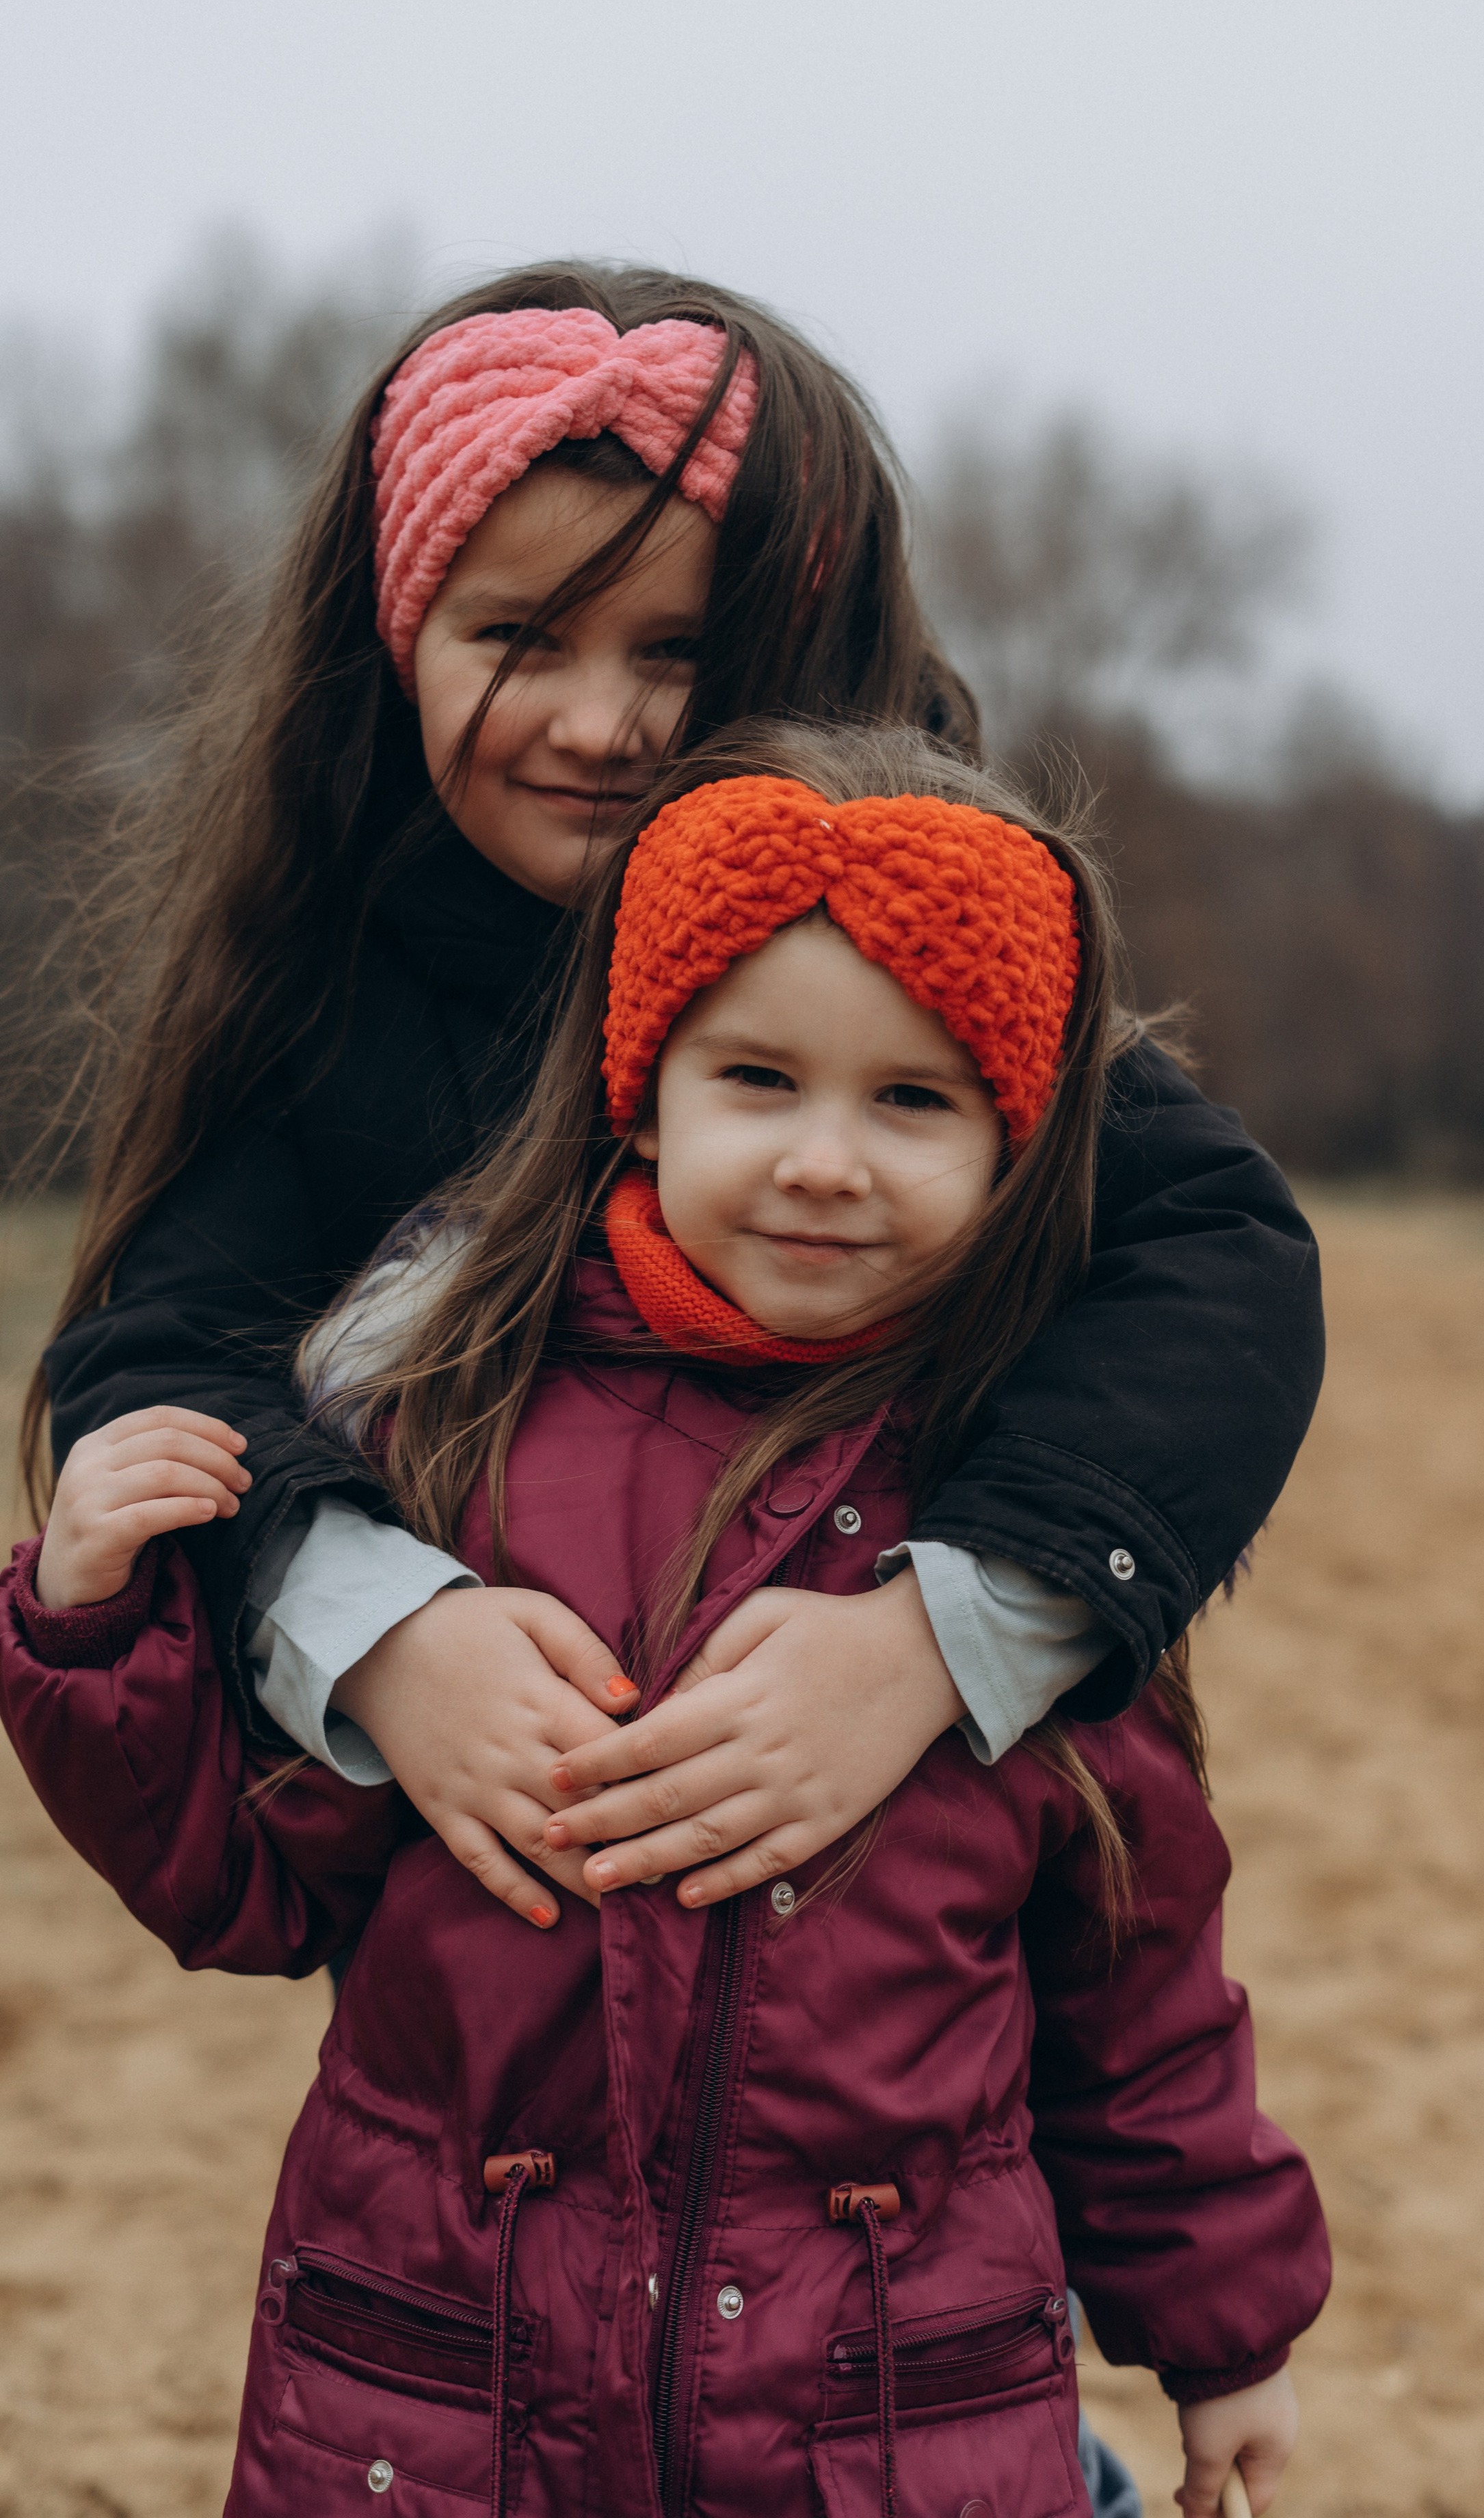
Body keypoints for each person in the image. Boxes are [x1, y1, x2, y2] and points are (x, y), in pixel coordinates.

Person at [3, 731, 1331, 2517]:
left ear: (1019, 1148)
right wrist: (96, 1630)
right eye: (757, 1079)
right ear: (640, 1096)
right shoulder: (441, 1443)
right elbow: (241, 1886)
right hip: (437, 2407)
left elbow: (1141, 1989)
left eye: (914, 1101)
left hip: (886, 2428)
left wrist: (1224, 2334)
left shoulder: (1031, 1516)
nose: (825, 1161)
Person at [26, 267, 1325, 1953]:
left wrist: (933, 1644)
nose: (596, 725)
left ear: (804, 654)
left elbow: (1219, 1251)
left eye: (679, 651)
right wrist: (386, 1634)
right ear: (399, 644)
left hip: (897, 1904)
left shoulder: (911, 941)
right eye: (516, 638)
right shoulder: (326, 989)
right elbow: (161, 1362)